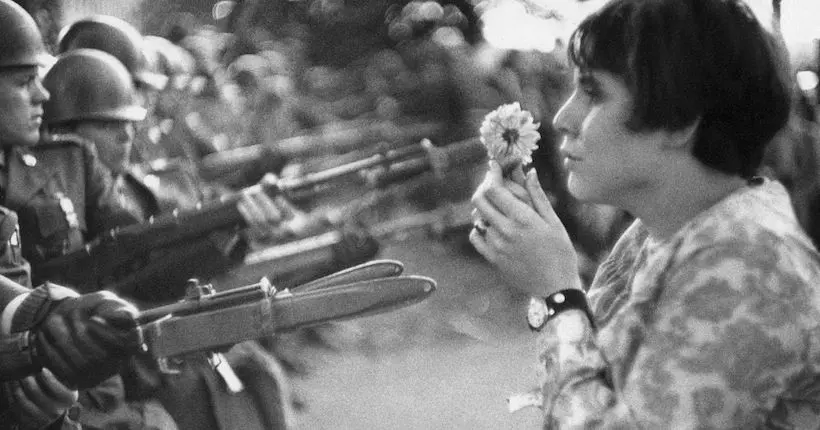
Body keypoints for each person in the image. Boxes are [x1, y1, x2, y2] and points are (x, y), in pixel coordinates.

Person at [469, 0, 820, 427]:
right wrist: (547, 280)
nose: (564, 117)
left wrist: (556, 292)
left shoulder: (751, 262)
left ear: (680, 120)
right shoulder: (662, 233)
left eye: (593, 92)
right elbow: (596, 384)